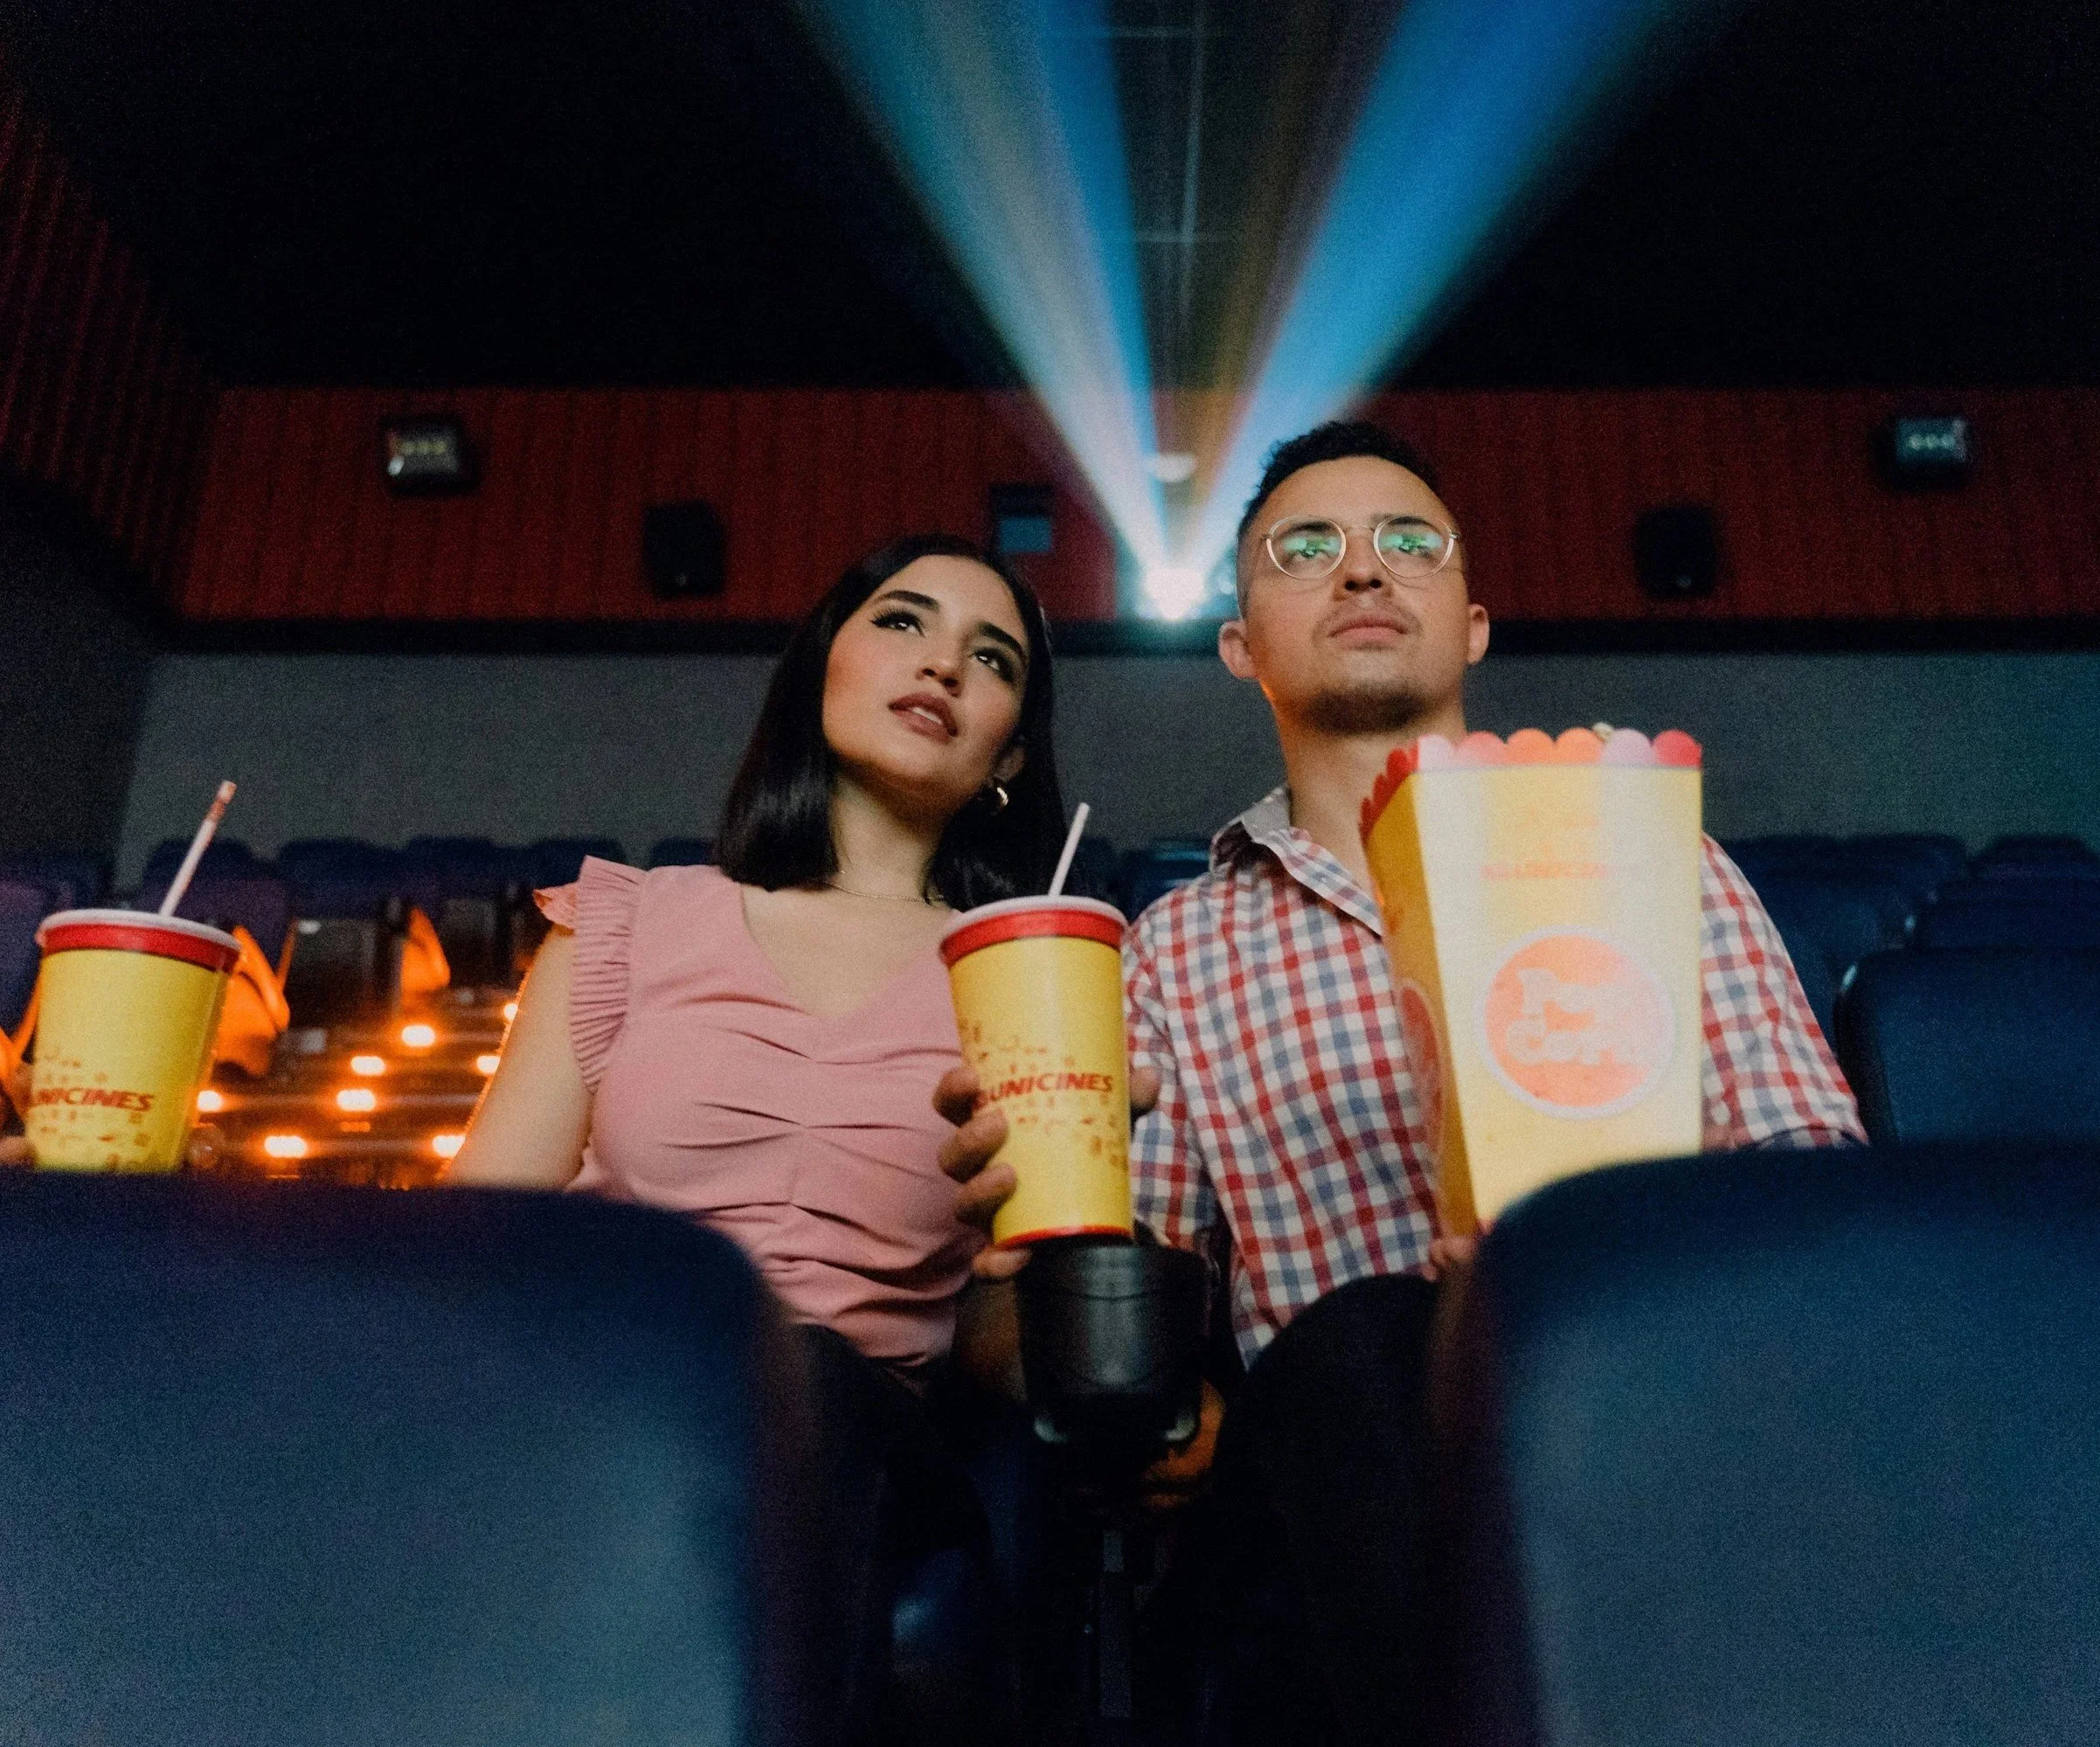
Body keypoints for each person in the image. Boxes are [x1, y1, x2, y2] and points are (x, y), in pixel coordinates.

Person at [939, 421, 1864, 1745]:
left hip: (1667, 1417)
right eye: (1305, 548)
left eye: (1407, 543)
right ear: (1239, 642)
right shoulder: (1178, 949)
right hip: (1342, 1483)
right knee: (1373, 1334)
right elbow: (1121, 1342)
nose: (1363, 571)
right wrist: (1019, 1264)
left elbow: (1816, 1194)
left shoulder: (1662, 862)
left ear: (1471, 623)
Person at [454, 532, 1065, 1745]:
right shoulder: (631, 922)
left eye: (988, 656)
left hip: (867, 1436)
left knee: (808, 1382)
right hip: (614, 1396)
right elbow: (476, 1241)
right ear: (821, 669)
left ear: (1012, 751)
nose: (941, 663)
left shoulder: (1030, 982)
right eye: (903, 622)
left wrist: (1028, 1258)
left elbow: (1002, 1366)